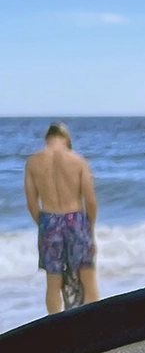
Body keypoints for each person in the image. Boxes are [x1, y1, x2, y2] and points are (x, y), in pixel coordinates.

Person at [23, 122, 100, 313]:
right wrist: (89, 229)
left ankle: (56, 331)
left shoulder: (33, 162)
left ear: (47, 138)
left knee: (53, 282)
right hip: (76, 220)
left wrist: (44, 226)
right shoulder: (78, 160)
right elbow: (90, 201)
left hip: (49, 219)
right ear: (66, 138)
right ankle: (95, 327)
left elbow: (32, 203)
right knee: (87, 278)